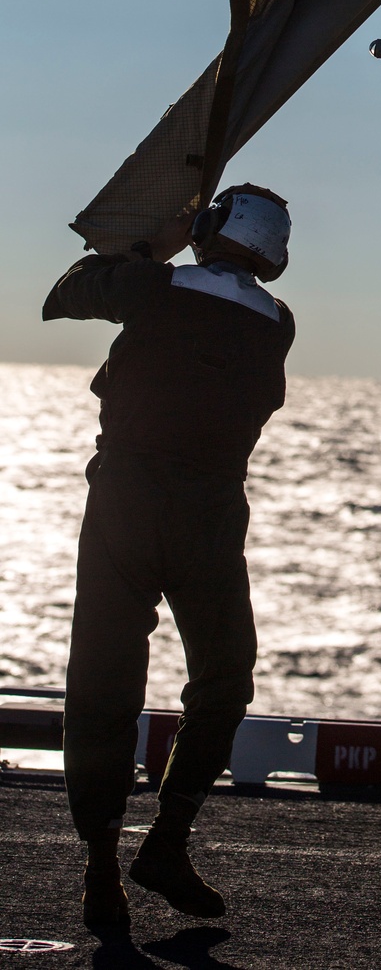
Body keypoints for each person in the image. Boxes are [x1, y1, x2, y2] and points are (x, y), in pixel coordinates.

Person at [43, 185, 295, 932]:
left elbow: (64, 295)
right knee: (223, 681)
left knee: (102, 688)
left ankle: (99, 869)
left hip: (124, 503)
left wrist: (149, 244)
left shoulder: (154, 287)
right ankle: (168, 842)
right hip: (212, 518)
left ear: (211, 228)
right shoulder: (279, 324)